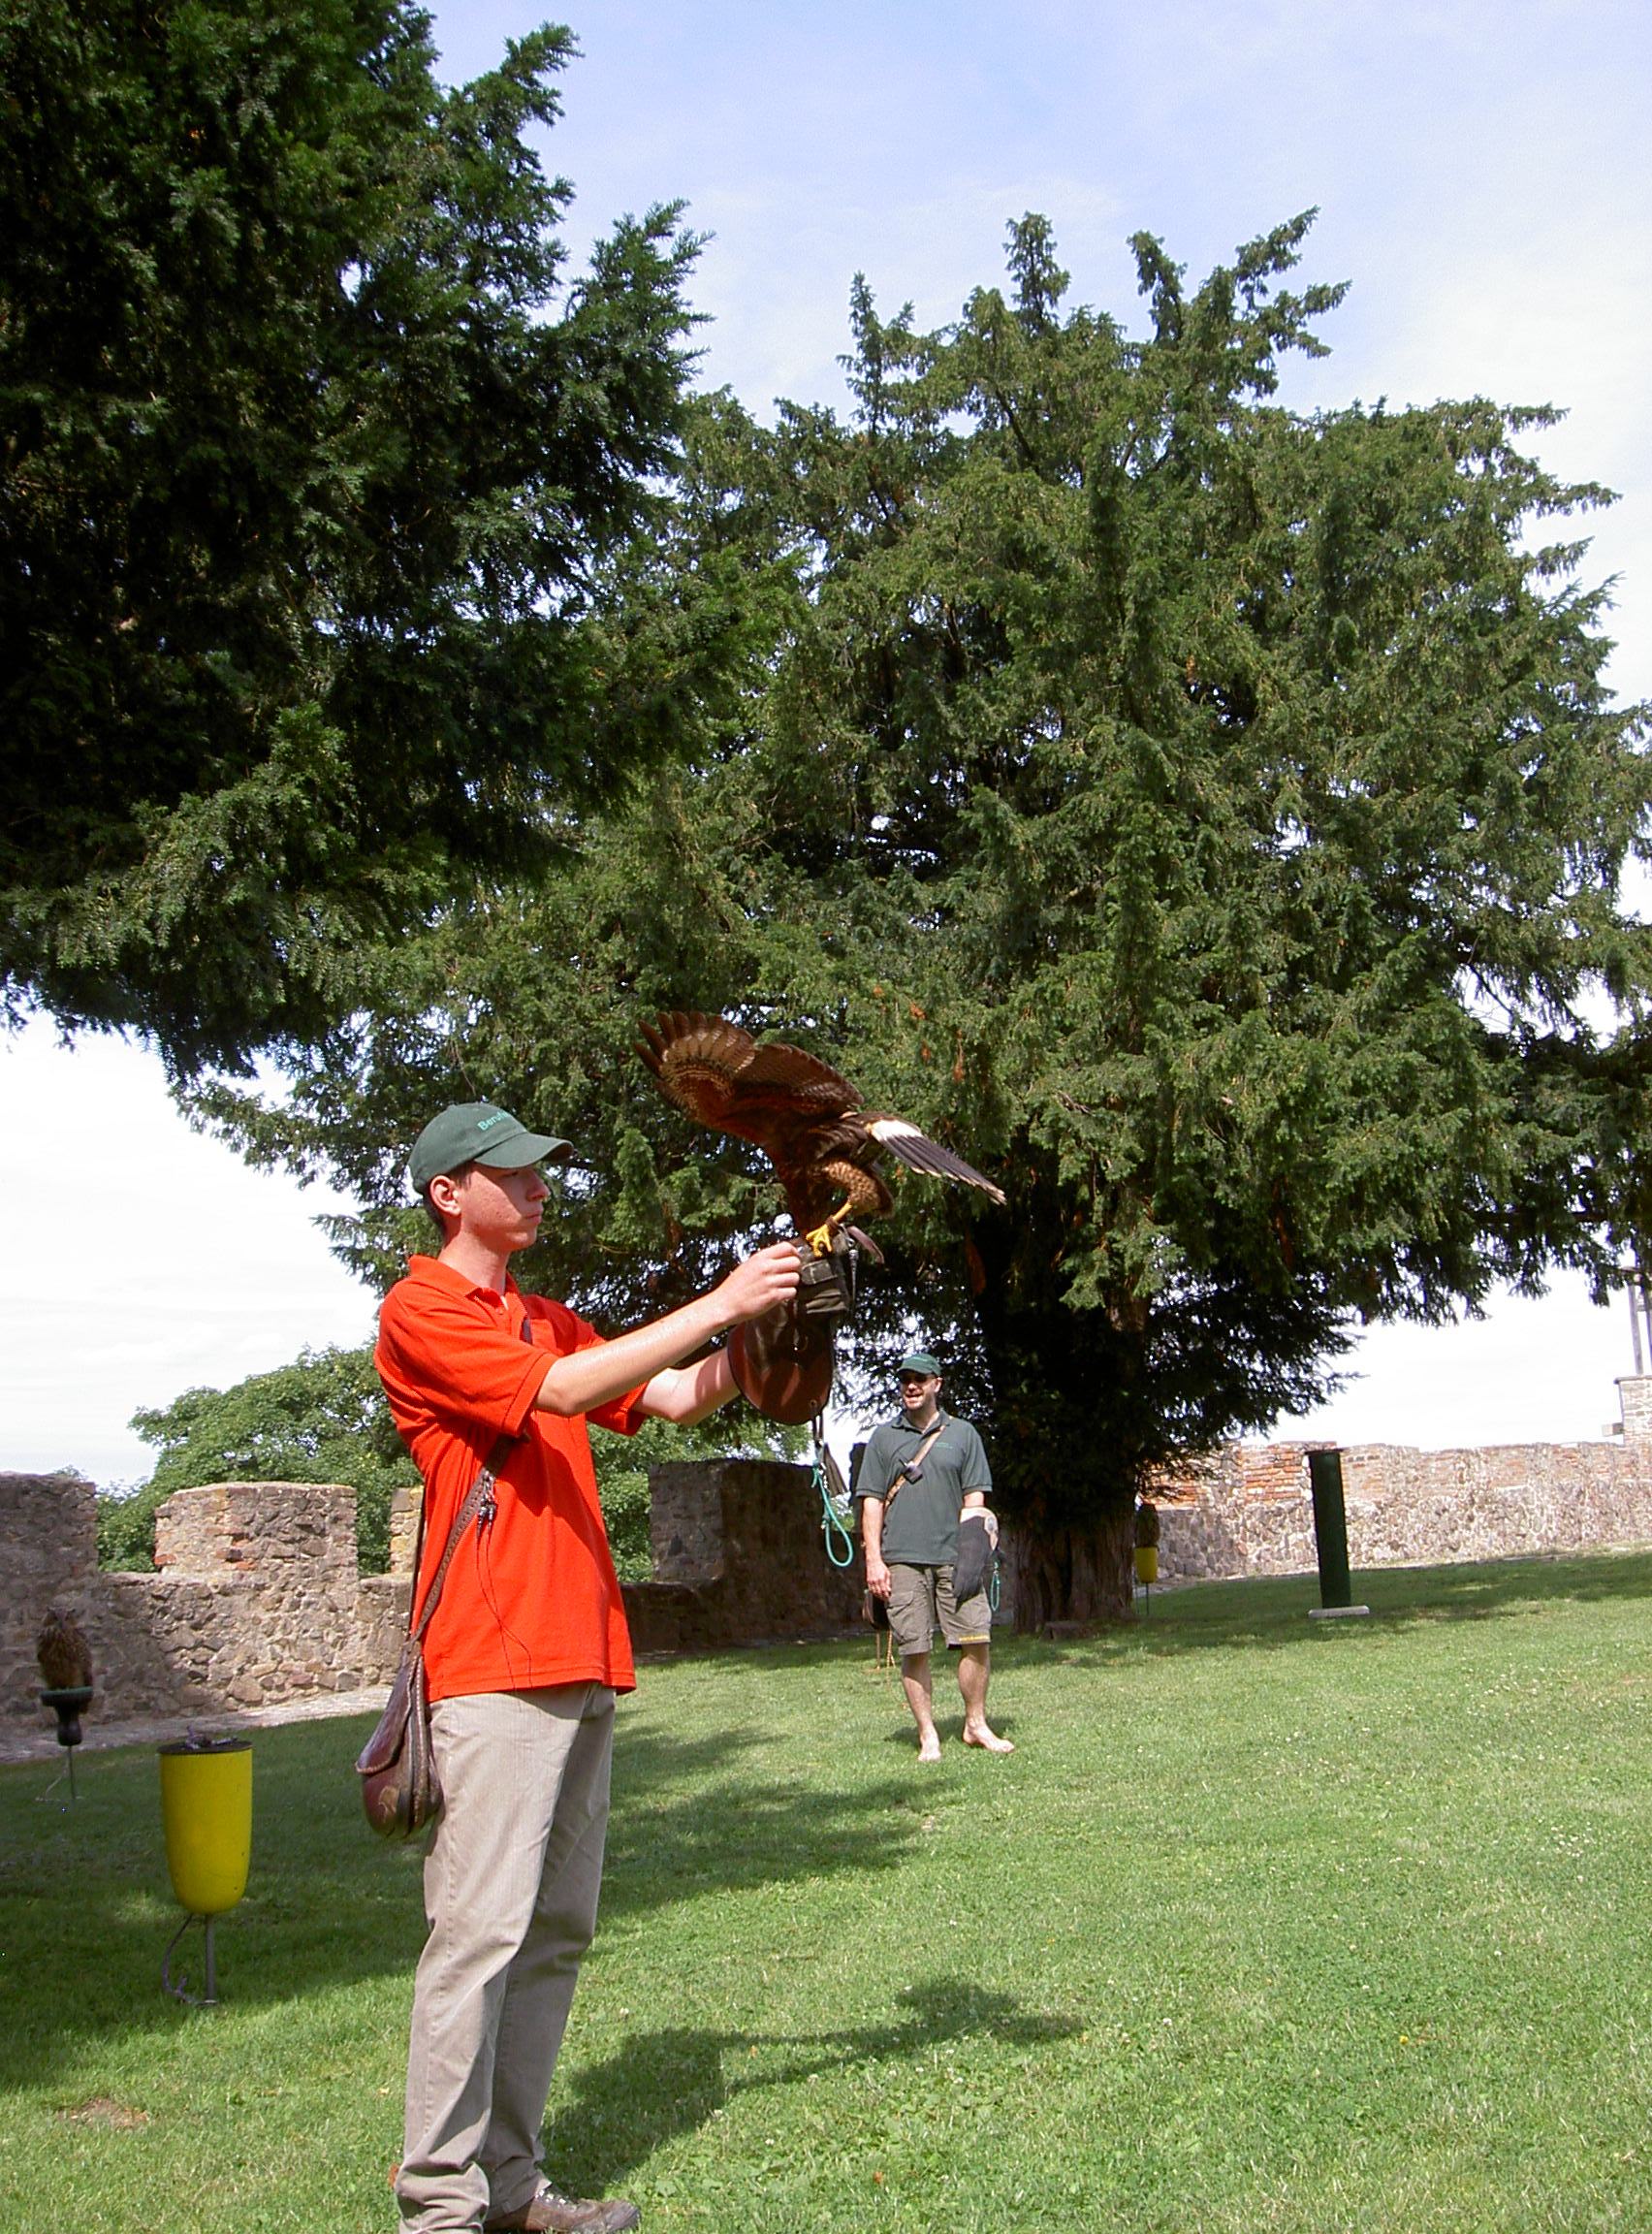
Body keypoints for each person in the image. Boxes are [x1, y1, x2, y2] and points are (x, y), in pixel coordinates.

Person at [374, 1101, 801, 2234]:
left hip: (580, 1654)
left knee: (554, 1934)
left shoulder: (545, 1316)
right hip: (490, 1663)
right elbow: (559, 1396)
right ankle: (438, 2208)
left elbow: (665, 1394)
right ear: (448, 1192)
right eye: (510, 1173)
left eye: (540, 1170)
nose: (538, 1186)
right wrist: (721, 1298)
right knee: (479, 1939)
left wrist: (769, 1330)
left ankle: (511, 2187)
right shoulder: (422, 1309)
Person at [856, 1350, 1014, 1762]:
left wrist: (973, 1553)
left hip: (954, 1557)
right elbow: (871, 1502)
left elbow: (975, 1498)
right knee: (914, 1648)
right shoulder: (884, 1438)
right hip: (902, 1560)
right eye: (906, 1378)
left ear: (936, 1384)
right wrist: (874, 1560)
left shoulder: (963, 1435)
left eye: (920, 1379)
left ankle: (975, 1725)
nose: (911, 1385)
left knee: (976, 1639)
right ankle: (928, 1735)